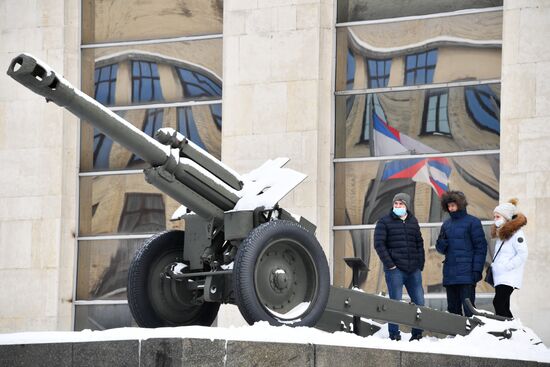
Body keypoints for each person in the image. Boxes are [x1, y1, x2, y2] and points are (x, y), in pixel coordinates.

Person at [374, 193, 425, 341]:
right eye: (395, 204)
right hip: (395, 270)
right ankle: (394, 334)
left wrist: (420, 263)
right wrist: (390, 265)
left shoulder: (413, 221)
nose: (397, 207)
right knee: (394, 303)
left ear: (407, 206)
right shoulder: (384, 222)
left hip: (413, 269)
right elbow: (379, 244)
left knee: (420, 302)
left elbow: (419, 243)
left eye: (401, 204)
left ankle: (417, 334)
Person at [436, 191, 487, 317]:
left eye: (453, 205)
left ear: (460, 205)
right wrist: (441, 242)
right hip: (450, 274)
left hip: (467, 274)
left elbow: (480, 248)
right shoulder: (446, 224)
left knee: (469, 310)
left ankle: (472, 335)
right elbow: (441, 249)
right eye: (449, 206)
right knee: (453, 310)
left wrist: (477, 270)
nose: (451, 208)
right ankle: (455, 335)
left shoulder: (473, 222)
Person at [490, 198, 528, 318]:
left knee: (498, 303)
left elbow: (523, 253)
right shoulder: (501, 234)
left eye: (497, 217)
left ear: (506, 218)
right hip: (500, 276)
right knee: (503, 305)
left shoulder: (516, 234)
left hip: (509, 276)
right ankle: (512, 329)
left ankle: (508, 328)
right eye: (494, 216)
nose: (495, 219)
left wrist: (508, 266)